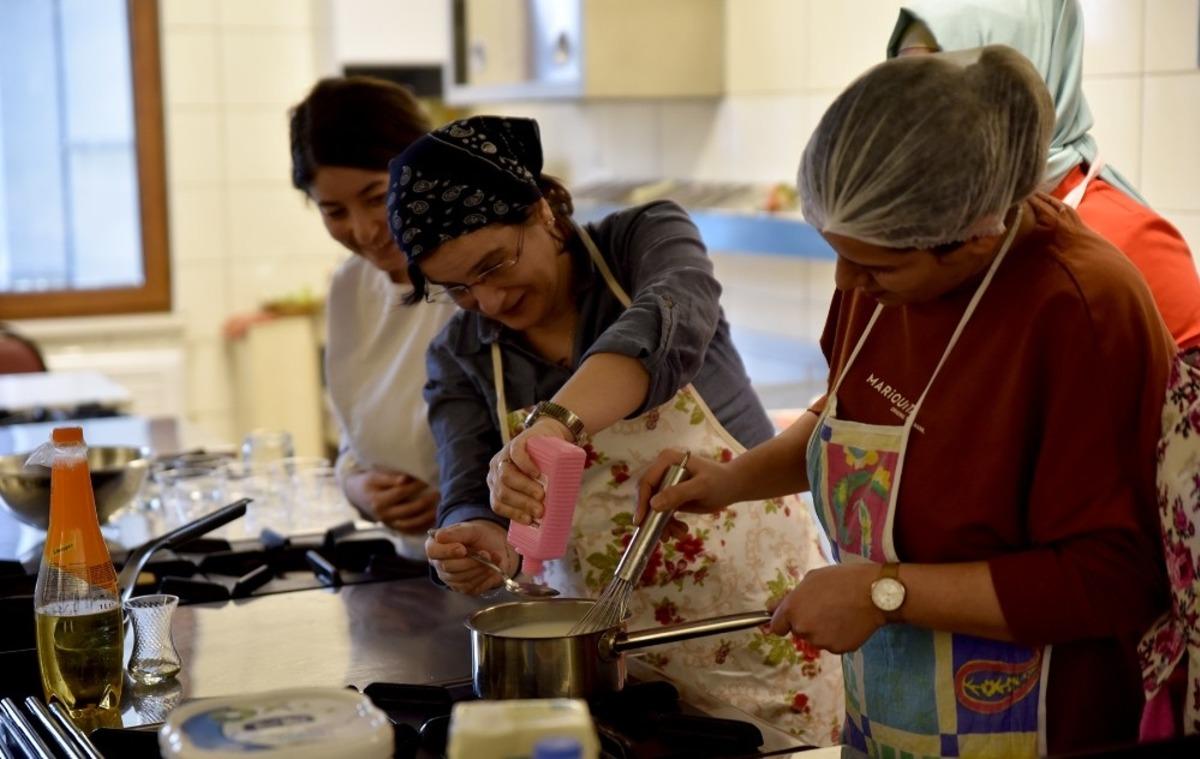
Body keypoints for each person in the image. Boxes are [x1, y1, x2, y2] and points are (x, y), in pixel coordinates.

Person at [641, 46, 1173, 756]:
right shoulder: (875, 284)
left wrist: (882, 592)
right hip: (892, 711)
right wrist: (734, 478)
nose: (849, 282)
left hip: (1044, 720)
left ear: (976, 234)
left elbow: (1113, 574)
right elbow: (848, 416)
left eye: (877, 263)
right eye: (837, 251)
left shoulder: (1080, 308)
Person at [396, 116, 843, 742]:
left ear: (542, 210)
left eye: (495, 266)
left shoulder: (642, 241)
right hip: (605, 668)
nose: (490, 302)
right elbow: (469, 483)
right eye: (459, 290)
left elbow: (672, 313)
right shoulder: (462, 355)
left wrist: (553, 422)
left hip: (757, 627)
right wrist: (476, 535)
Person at [888, 0, 1200, 351]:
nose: (912, 117)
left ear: (1027, 80)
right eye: (900, 87)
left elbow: (1186, 401)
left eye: (938, 86)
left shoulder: (1133, 243)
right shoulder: (916, 230)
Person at [288, 77, 456, 545]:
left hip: (506, 564)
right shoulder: (350, 286)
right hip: (405, 562)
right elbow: (352, 438)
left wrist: (465, 499)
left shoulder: (481, 277)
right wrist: (356, 486)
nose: (363, 230)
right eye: (334, 211)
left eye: (375, 196)